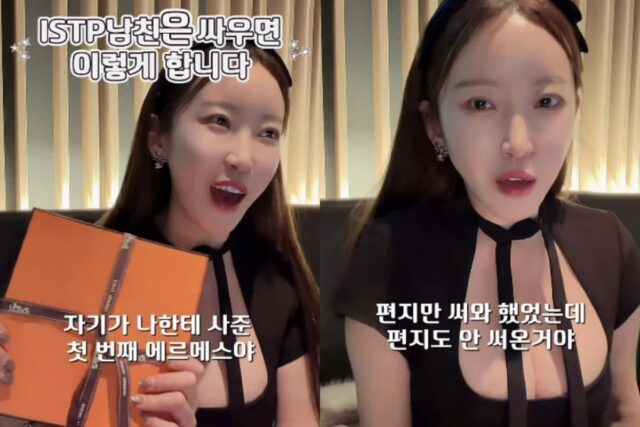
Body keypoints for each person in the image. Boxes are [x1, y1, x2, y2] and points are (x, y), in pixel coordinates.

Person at [332, 0, 640, 426]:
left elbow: (625, 409)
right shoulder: (389, 255)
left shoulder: (609, 243)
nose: (518, 144)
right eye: (480, 104)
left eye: (547, 101)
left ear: (576, 107)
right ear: (434, 124)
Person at [0, 42, 319, 427]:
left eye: (268, 132)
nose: (244, 158)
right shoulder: (65, 274)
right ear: (158, 137)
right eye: (220, 121)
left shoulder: (280, 287)